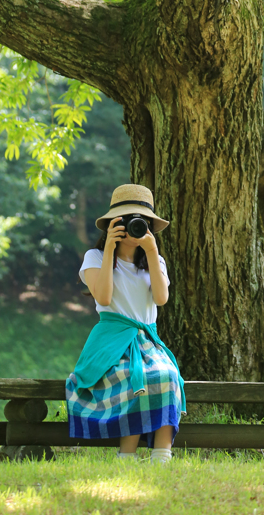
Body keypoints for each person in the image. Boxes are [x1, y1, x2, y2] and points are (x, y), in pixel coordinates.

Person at [66, 184, 186, 465]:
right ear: (112, 224)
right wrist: (109, 249)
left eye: (140, 222)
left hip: (148, 340)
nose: (134, 228)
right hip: (112, 340)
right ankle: (126, 455)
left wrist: (152, 249)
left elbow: (161, 298)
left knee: (166, 375)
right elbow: (104, 297)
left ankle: (162, 454)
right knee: (133, 379)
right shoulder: (94, 258)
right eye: (127, 221)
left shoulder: (155, 261)